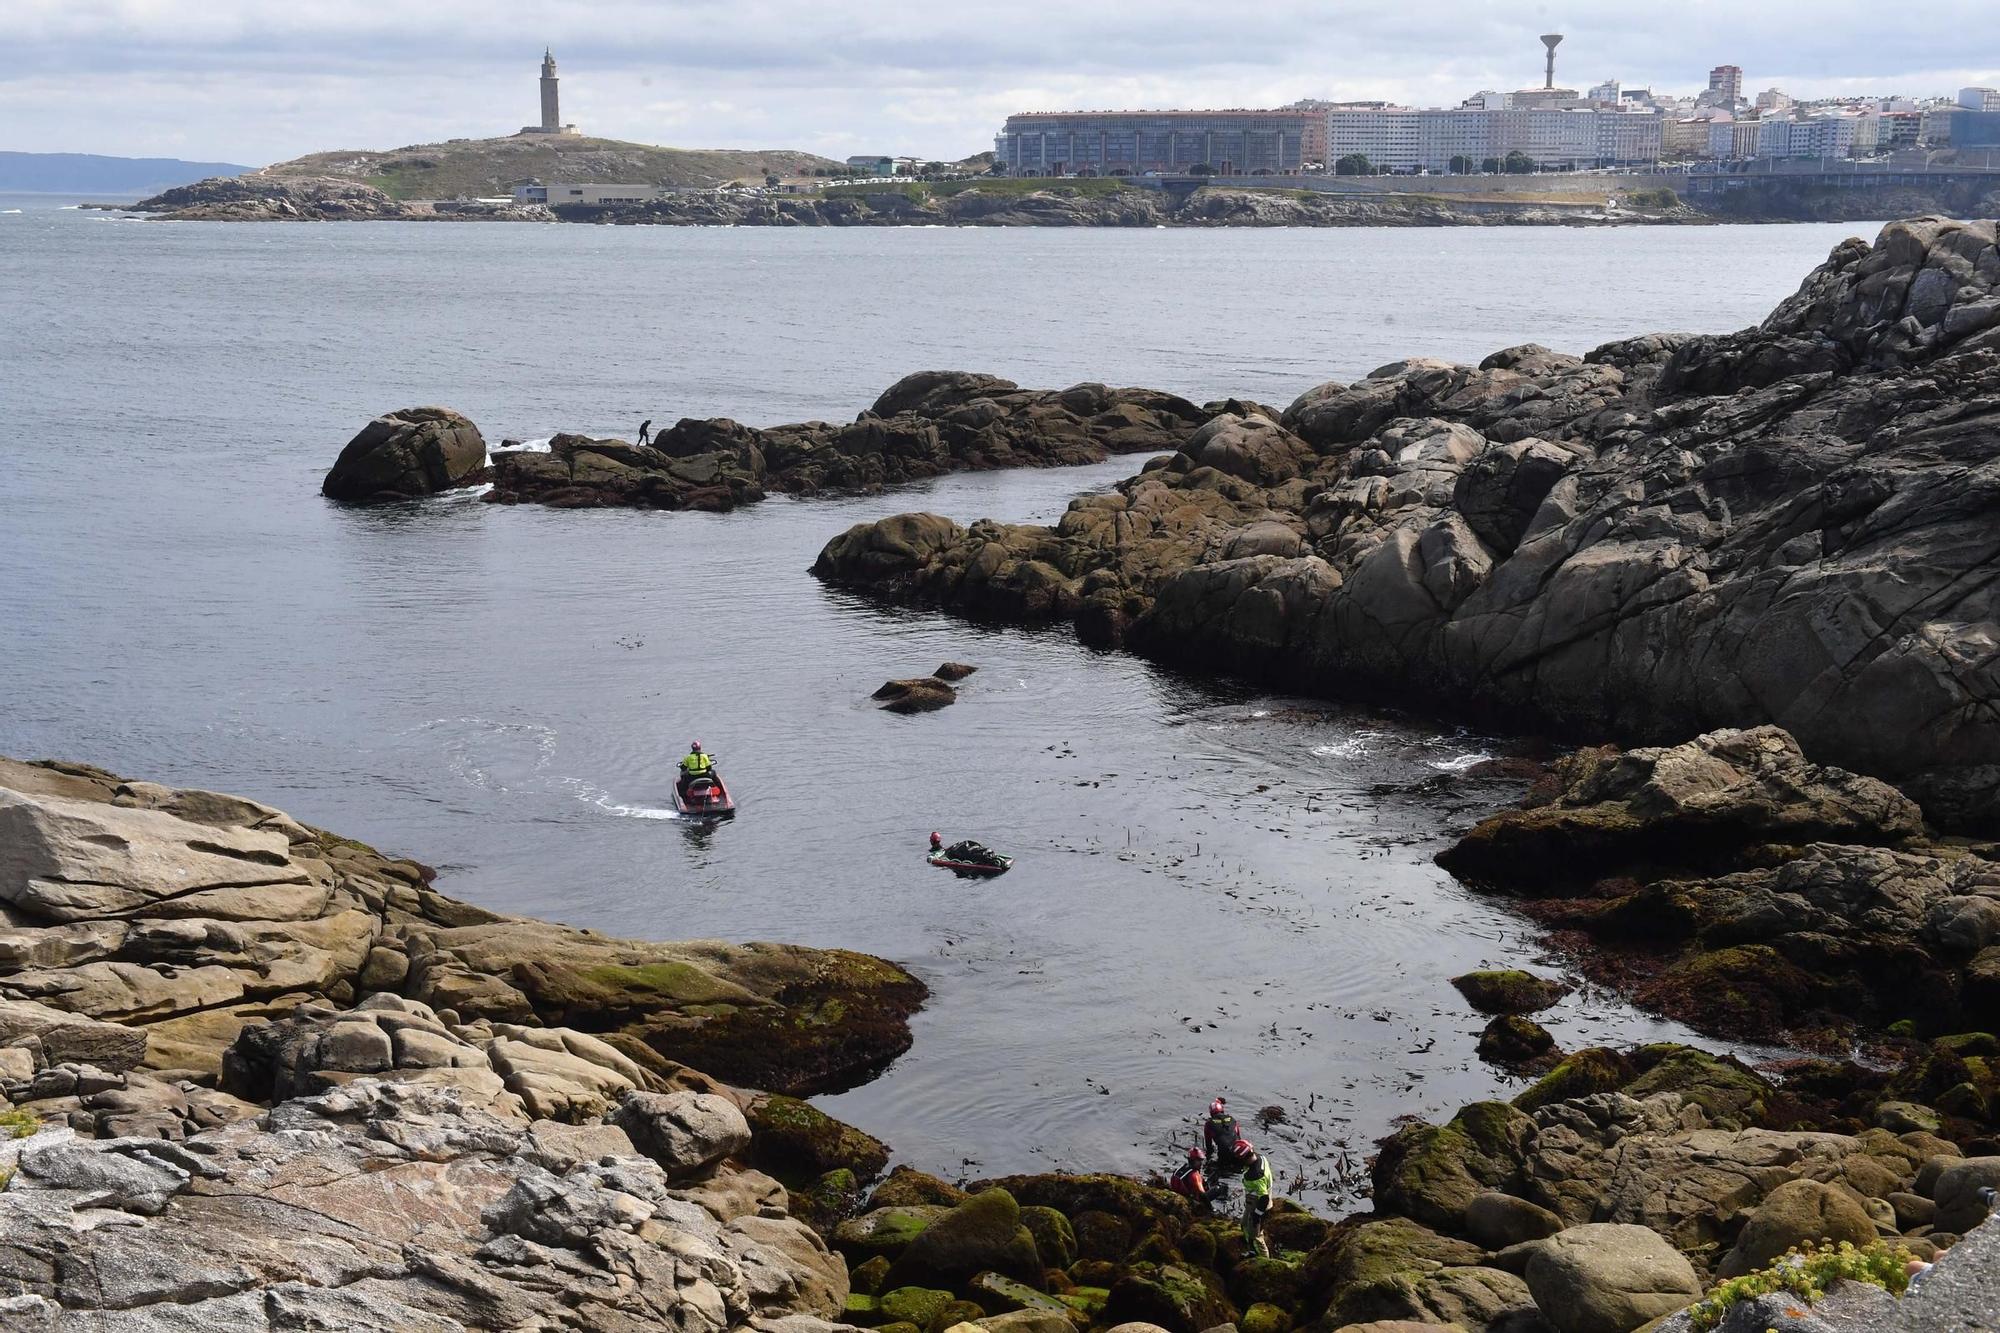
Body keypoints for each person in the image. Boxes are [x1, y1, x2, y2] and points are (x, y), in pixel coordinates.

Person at [1239, 1142, 1274, 1258]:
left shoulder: (1255, 1176)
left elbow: (1264, 1198)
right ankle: (1252, 1251)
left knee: (1256, 1236)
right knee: (1244, 1225)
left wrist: (1257, 1215)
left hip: (1258, 1205)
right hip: (1253, 1202)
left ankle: (1264, 1261)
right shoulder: (1261, 1158)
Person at [1204, 1098, 1243, 1171]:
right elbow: (1239, 1138)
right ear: (1222, 1110)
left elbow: (1208, 1144)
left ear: (1211, 1113)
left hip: (1224, 1154)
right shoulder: (1232, 1120)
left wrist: (1208, 1157)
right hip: (1238, 1151)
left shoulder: (1209, 1124)